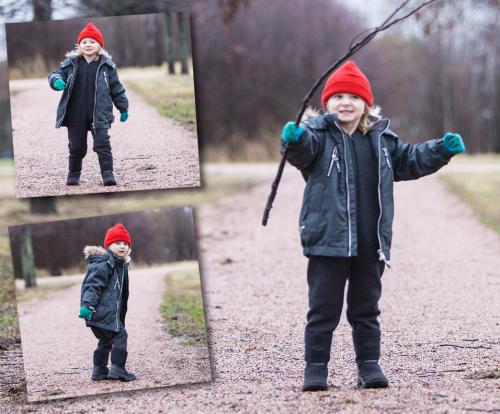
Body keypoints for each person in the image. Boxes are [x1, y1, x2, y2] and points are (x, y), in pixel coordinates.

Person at [281, 60, 465, 391]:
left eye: (353, 96)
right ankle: (316, 369)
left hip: (371, 243)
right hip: (329, 241)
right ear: (326, 103)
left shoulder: (382, 139)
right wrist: (293, 141)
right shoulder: (316, 137)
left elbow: (411, 160)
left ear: (367, 103)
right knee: (323, 308)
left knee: (366, 308)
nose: (346, 103)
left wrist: (440, 150)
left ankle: (369, 366)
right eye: (338, 97)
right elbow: (301, 154)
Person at [48, 23, 129, 186]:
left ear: (99, 45)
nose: (88, 45)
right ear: (79, 45)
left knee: (102, 144)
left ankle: (107, 174)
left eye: (92, 41)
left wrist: (123, 107)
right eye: (84, 42)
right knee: (76, 146)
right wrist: (56, 80)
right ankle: (73, 174)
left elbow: (116, 88)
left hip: (98, 114)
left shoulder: (108, 66)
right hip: (75, 113)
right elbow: (55, 74)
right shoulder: (70, 64)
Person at [79, 223, 136, 381]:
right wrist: (87, 305)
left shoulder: (119, 264)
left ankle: (99, 370)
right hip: (99, 311)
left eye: (125, 244)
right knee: (120, 336)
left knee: (105, 340)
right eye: (117, 243)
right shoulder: (105, 264)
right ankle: (118, 368)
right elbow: (92, 286)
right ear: (108, 245)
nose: (122, 246)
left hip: (102, 313)